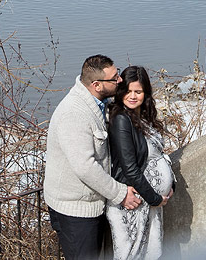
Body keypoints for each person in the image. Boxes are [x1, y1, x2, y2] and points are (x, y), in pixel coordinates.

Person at [45, 55, 143, 260]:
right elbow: (85, 166)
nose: (120, 81)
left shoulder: (96, 102)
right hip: (75, 214)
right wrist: (120, 193)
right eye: (114, 78)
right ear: (97, 85)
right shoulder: (74, 114)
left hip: (90, 205)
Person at [106, 66, 173, 260]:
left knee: (151, 254)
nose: (133, 96)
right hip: (133, 204)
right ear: (121, 92)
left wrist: (172, 184)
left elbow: (158, 155)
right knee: (131, 256)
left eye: (138, 91)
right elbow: (129, 168)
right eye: (128, 91)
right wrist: (155, 198)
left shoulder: (142, 117)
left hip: (149, 203)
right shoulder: (120, 120)